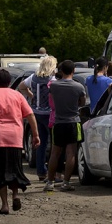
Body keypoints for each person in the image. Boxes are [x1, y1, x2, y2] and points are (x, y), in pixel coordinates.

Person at [0, 69, 39, 214]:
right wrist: (36, 134)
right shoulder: (17, 95)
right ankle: (15, 195)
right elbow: (30, 115)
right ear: (9, 82)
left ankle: (5, 205)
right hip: (15, 137)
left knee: (0, 171)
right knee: (14, 169)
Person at [44, 60, 86, 192]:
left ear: (61, 71)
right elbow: (82, 103)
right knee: (71, 153)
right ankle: (66, 182)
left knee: (55, 153)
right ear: (74, 71)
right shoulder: (78, 87)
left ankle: (50, 182)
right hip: (73, 121)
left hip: (58, 122)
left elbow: (51, 100)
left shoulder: (54, 86)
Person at [18, 55, 57, 181]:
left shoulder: (34, 77)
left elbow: (21, 86)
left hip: (36, 113)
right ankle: (53, 173)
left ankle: (41, 171)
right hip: (50, 114)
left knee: (41, 142)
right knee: (55, 145)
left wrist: (31, 95)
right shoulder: (53, 79)